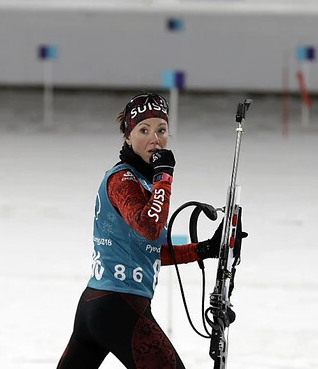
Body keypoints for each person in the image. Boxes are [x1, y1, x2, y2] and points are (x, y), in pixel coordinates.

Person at [57, 92, 233, 369]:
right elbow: (149, 228)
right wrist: (164, 176)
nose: (155, 138)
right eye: (144, 130)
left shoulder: (143, 183)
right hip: (118, 306)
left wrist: (205, 250)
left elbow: (150, 250)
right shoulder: (123, 178)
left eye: (162, 130)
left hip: (101, 305)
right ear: (128, 137)